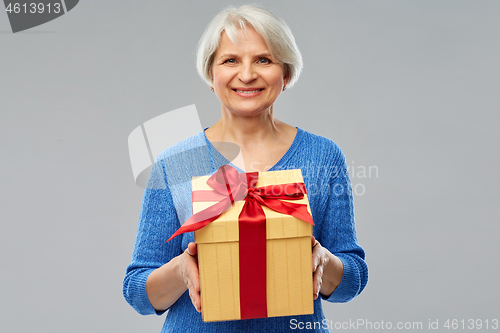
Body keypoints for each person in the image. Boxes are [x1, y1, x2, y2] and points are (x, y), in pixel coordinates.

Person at [123, 4, 368, 332]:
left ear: (286, 73)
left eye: (263, 60)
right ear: (211, 74)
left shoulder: (322, 156)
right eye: (230, 60)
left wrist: (324, 262)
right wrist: (181, 269)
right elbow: (138, 293)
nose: (248, 74)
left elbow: (352, 281)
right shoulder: (176, 163)